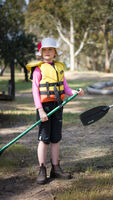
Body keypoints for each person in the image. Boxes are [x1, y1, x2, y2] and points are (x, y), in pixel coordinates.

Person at [26, 38, 84, 184]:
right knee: (44, 139)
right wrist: (40, 110)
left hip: (57, 106)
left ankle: (55, 168)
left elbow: (65, 87)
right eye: (44, 50)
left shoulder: (59, 68)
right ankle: (41, 169)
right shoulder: (38, 69)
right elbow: (35, 91)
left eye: (50, 49)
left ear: (55, 52)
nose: (47, 52)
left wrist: (75, 92)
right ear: (41, 52)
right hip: (44, 108)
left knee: (56, 139)